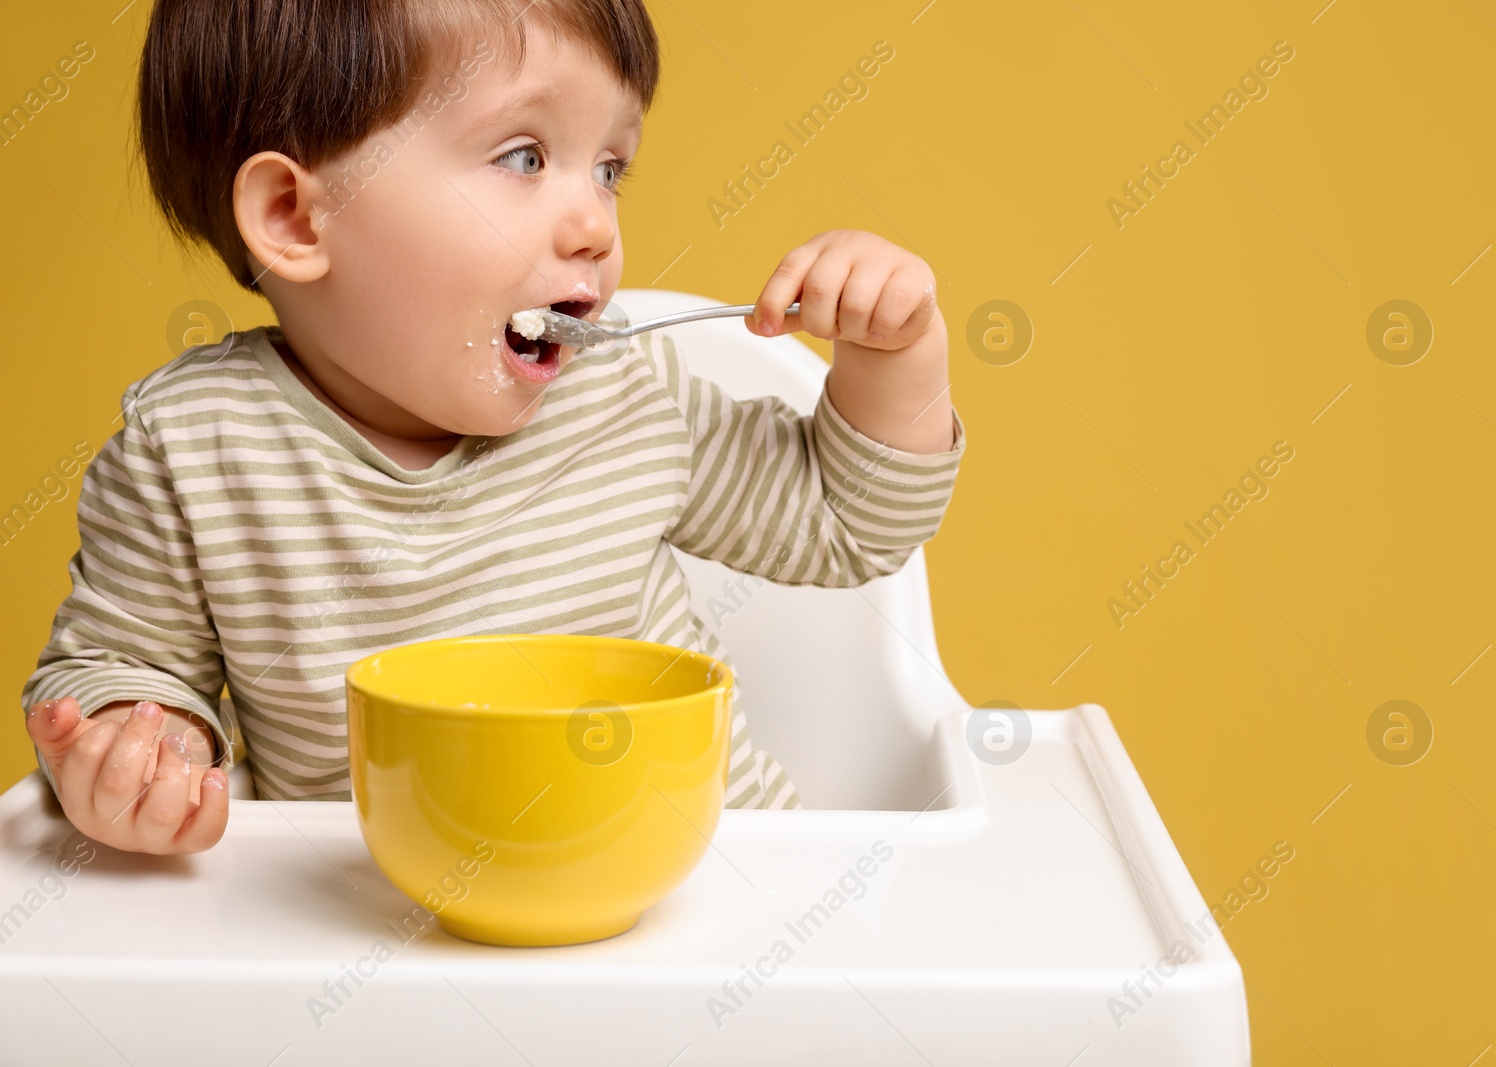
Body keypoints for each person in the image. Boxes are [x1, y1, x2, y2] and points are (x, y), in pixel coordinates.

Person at [20, 0, 966, 855]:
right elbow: (120, 663)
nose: (596, 222)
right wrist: (145, 743)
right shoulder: (194, 450)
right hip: (373, 936)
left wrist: (895, 355)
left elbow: (851, 521)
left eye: (609, 168)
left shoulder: (623, 394)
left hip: (699, 896)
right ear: (295, 218)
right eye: (524, 156)